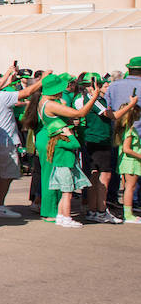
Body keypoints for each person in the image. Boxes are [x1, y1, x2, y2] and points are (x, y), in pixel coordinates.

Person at [37, 72, 102, 222]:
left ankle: (53, 211)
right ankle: (51, 212)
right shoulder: (51, 104)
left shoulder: (44, 100)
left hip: (49, 138)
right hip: (54, 140)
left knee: (51, 176)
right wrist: (94, 96)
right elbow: (80, 113)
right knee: (53, 177)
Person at [0, 66, 41, 220]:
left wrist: (9, 73)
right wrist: (43, 80)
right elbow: (27, 92)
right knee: (7, 175)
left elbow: (1, 86)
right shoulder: (2, 96)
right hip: (4, 142)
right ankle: (0, 206)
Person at [71, 72, 120, 224]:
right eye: (104, 84)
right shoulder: (95, 100)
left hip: (93, 140)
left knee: (94, 176)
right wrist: (131, 105)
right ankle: (100, 211)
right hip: (98, 141)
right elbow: (113, 115)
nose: (108, 86)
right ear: (94, 86)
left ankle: (94, 210)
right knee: (104, 176)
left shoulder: (87, 99)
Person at [115, 100, 141, 224]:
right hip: (131, 162)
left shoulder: (124, 129)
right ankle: (128, 214)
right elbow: (127, 149)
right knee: (130, 187)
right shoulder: (129, 131)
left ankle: (127, 211)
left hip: (127, 162)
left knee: (128, 187)